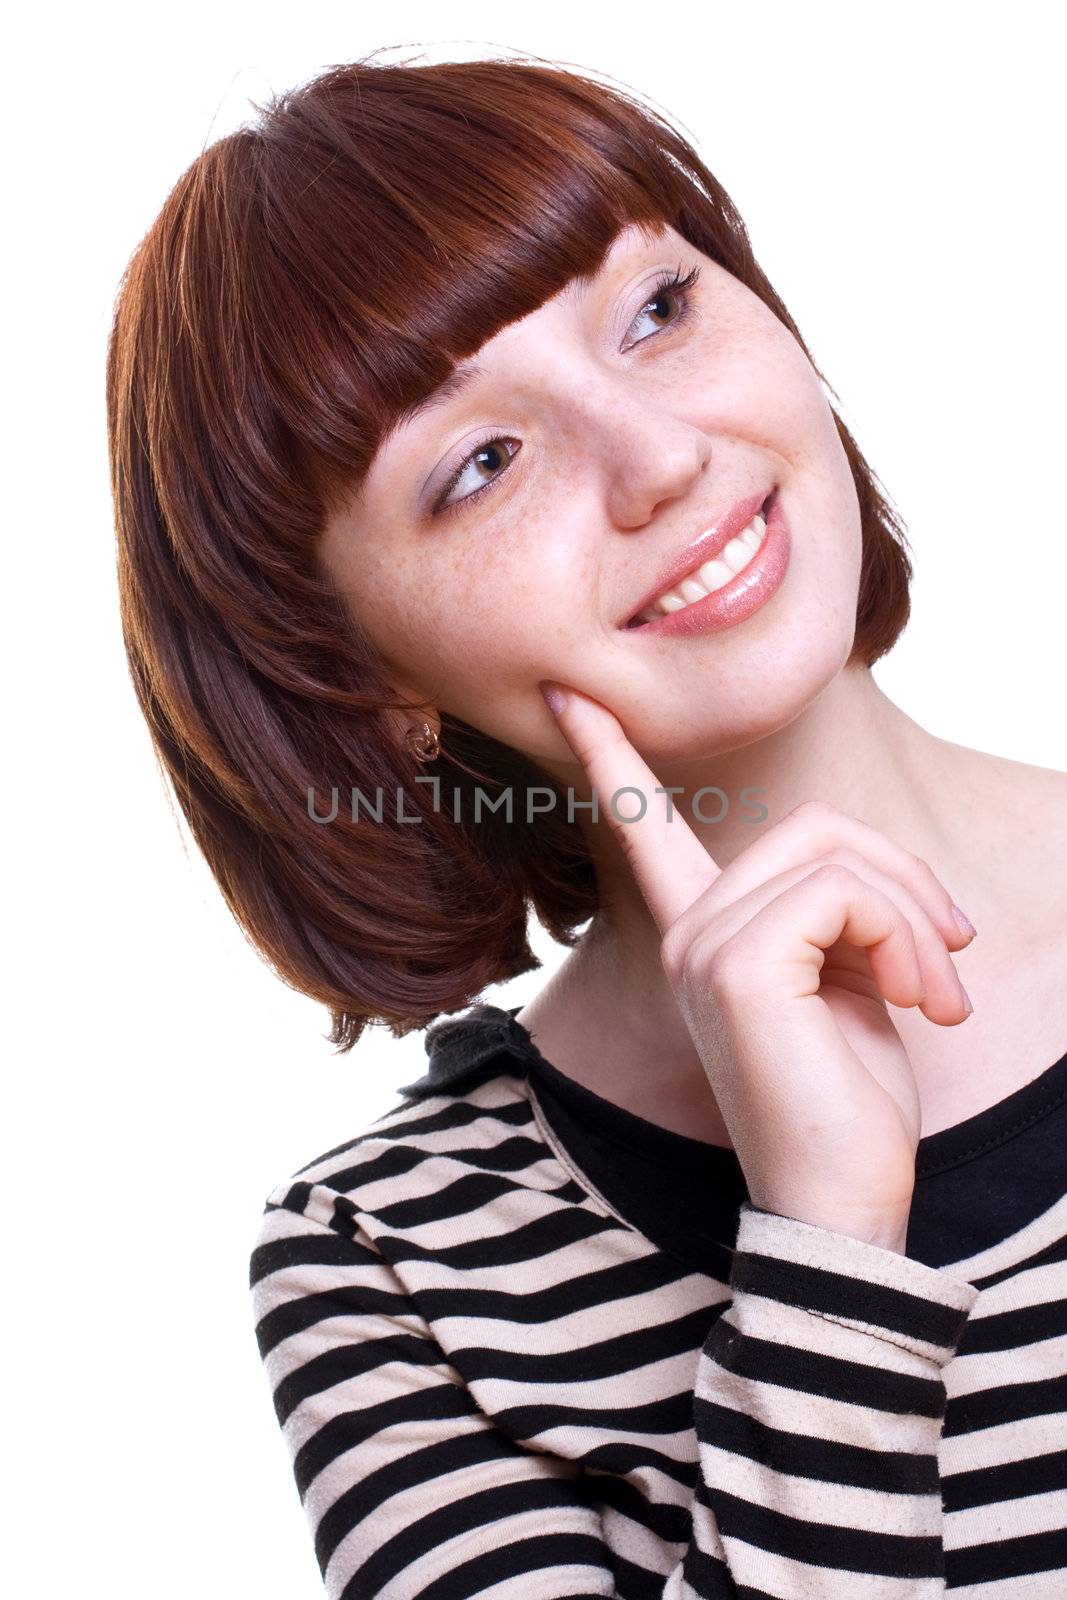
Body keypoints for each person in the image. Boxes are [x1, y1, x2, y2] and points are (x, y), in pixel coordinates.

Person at [106, 50, 1067, 1599]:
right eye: (480, 464)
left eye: (658, 310)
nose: (664, 458)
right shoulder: (393, 1279)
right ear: (358, 676)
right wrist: (829, 1241)